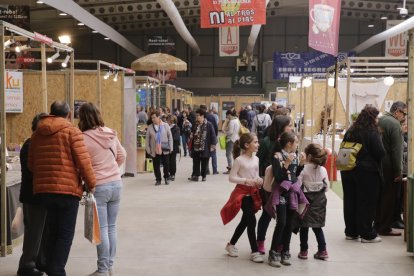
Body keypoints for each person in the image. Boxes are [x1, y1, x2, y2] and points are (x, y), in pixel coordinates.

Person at [29, 101, 96, 276]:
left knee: (51, 230)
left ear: (51, 113)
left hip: (43, 192)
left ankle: (49, 266)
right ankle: (56, 270)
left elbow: (31, 164)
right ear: (68, 114)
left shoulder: (37, 134)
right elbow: (83, 162)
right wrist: (91, 184)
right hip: (67, 192)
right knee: (65, 233)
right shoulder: (72, 132)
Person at [78, 103, 127, 276]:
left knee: (103, 229)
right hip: (116, 184)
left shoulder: (83, 138)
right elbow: (122, 155)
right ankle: (109, 266)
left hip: (99, 186)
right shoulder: (110, 133)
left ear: (82, 118)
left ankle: (102, 269)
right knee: (112, 227)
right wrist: (111, 170)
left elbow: (81, 165)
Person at [341, 106, 386, 242]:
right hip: (367, 172)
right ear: (372, 118)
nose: (378, 120)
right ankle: (367, 234)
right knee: (366, 202)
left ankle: (351, 231)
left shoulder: (351, 130)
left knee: (350, 201)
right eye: (376, 117)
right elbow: (380, 152)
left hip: (348, 169)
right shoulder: (372, 132)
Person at [220, 133, 264, 263]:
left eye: (257, 142)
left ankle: (231, 244)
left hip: (254, 193)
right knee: (251, 221)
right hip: (242, 194)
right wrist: (245, 181)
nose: (258, 144)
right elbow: (231, 177)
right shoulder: (239, 160)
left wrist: (259, 180)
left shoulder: (256, 159)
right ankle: (255, 251)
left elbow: (256, 174)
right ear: (246, 145)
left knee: (245, 221)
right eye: (255, 142)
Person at [266, 131, 305, 267]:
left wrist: (301, 165)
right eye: (296, 142)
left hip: (293, 193)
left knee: (290, 223)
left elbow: (294, 175)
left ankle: (285, 251)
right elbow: (279, 177)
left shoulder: (294, 156)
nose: (297, 145)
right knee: (281, 222)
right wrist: (286, 165)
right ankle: (273, 252)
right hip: (281, 192)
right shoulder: (277, 156)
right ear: (289, 144)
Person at [256, 115, 292, 254]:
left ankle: (281, 244)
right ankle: (260, 242)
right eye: (289, 125)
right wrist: (260, 179)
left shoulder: (289, 141)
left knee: (284, 217)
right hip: (269, 183)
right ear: (282, 126)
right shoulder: (266, 142)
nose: (291, 127)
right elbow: (258, 160)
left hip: (285, 184)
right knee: (267, 213)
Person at [18, 113, 48, 276]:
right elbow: (32, 171)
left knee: (39, 232)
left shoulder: (35, 144)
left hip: (38, 194)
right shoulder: (30, 145)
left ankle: (38, 262)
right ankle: (27, 265)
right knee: (34, 232)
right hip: (32, 195)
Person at [376, 101, 406, 236]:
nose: (404, 117)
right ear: (397, 111)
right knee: (389, 197)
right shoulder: (395, 125)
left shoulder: (380, 120)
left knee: (379, 196)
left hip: (378, 164)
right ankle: (385, 227)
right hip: (389, 166)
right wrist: (398, 171)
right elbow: (397, 151)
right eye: (404, 113)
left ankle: (377, 224)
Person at [297, 143, 329, 260]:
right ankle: (322, 250)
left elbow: (298, 184)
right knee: (317, 227)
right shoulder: (323, 170)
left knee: (304, 227)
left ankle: (304, 251)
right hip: (319, 202)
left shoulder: (304, 169)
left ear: (308, 156)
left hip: (305, 202)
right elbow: (327, 187)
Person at [188, 109, 217, 182]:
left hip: (205, 147)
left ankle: (204, 176)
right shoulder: (195, 124)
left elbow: (213, 135)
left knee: (204, 162)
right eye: (196, 115)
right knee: (196, 162)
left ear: (202, 116)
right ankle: (196, 176)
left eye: (198, 116)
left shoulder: (209, 124)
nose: (196, 117)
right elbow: (192, 133)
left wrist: (213, 145)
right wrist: (191, 134)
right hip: (196, 147)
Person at [145, 111, 173, 185]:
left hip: (164, 148)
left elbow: (170, 136)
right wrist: (148, 150)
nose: (153, 119)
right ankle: (158, 179)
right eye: (152, 118)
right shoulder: (150, 127)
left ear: (158, 117)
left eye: (154, 117)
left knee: (166, 164)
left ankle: (166, 177)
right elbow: (147, 139)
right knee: (156, 166)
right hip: (154, 149)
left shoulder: (165, 125)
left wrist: (171, 147)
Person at [200, 105, 218, 175]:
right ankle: (215, 170)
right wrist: (215, 136)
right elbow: (216, 127)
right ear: (206, 109)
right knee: (213, 154)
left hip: (205, 138)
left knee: (206, 154)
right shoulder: (211, 116)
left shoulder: (201, 117)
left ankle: (206, 170)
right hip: (212, 137)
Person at [222, 110, 240, 174]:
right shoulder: (237, 120)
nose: (227, 117)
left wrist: (225, 132)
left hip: (230, 139)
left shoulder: (232, 121)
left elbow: (230, 132)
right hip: (237, 139)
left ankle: (230, 168)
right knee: (235, 154)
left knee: (228, 154)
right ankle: (237, 168)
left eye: (227, 116)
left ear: (229, 115)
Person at [166, 114, 181, 181]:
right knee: (167, 161)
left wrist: (169, 138)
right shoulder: (166, 127)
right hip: (166, 147)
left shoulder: (176, 128)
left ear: (171, 121)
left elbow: (176, 138)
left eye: (168, 120)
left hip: (174, 147)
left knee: (172, 161)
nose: (167, 122)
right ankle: (168, 173)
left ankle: (172, 174)